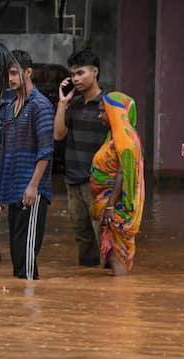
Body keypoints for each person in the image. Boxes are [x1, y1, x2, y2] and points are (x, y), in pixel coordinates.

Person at [0, 50, 54, 280]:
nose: (10, 79)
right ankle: (19, 312)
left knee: (27, 261)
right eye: (8, 74)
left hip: (31, 191)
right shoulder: (8, 108)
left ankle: (29, 308)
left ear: (28, 73)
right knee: (17, 256)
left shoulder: (41, 106)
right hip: (12, 189)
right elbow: (2, 151)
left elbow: (46, 152)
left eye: (15, 73)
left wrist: (33, 186)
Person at [53, 49, 107, 267]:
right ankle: (88, 277)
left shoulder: (108, 104)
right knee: (82, 236)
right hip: (73, 179)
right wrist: (63, 102)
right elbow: (58, 135)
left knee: (104, 234)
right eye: (73, 74)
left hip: (99, 182)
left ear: (95, 72)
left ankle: (110, 284)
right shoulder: (73, 104)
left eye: (80, 73)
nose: (75, 79)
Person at [90, 92, 145, 276]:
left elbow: (123, 172)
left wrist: (111, 206)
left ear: (114, 112)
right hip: (110, 209)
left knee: (117, 258)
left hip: (115, 211)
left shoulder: (125, 140)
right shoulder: (115, 138)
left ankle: (119, 299)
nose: (100, 116)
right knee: (113, 257)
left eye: (103, 112)